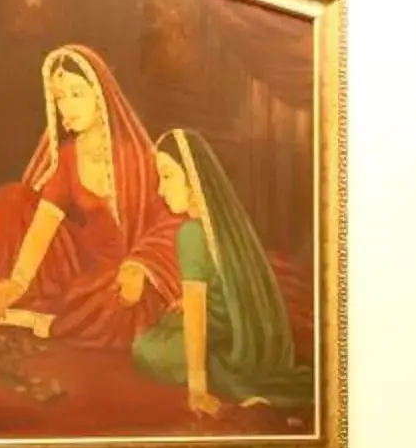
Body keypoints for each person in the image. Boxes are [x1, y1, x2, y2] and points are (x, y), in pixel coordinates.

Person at [0, 46, 180, 347]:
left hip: (124, 270)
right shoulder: (69, 155)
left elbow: (169, 224)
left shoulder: (137, 156)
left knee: (103, 306)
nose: (67, 106)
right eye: (59, 97)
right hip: (80, 258)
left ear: (101, 96)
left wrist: (139, 267)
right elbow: (44, 222)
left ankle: (37, 311)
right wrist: (18, 282)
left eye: (76, 93)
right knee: (12, 198)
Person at [131, 128, 312, 415]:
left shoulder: (191, 234)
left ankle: (218, 371)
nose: (160, 189)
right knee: (165, 321)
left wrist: (197, 388)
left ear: (193, 179)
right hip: (243, 332)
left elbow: (197, 312)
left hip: (225, 340)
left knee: (145, 347)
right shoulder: (221, 224)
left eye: (167, 176)